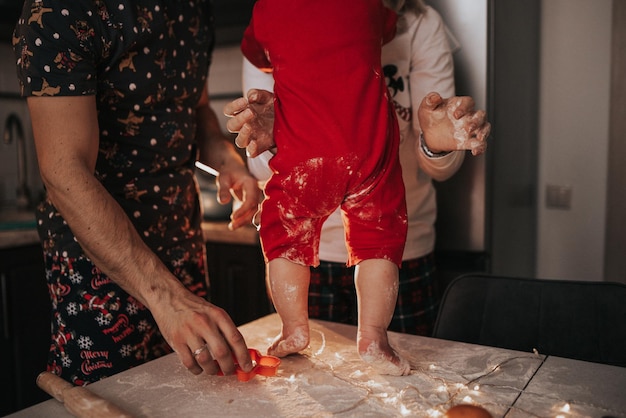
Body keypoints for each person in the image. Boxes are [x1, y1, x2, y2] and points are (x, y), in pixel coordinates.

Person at [12, 0, 260, 385]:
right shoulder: (60, 10)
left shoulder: (195, 8)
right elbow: (64, 172)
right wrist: (166, 296)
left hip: (184, 250)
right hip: (97, 268)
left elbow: (196, 111)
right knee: (112, 401)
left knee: (195, 398)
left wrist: (227, 161)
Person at [245, 0, 480, 337]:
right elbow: (260, 166)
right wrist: (273, 137)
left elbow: (440, 169)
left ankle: (298, 330)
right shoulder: (371, 12)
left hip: (407, 252)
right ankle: (368, 338)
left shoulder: (421, 24)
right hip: (325, 252)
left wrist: (436, 142)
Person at [239, 0, 413, 376]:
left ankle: (293, 328)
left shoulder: (267, 9)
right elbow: (387, 28)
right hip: (370, 145)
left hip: (306, 152)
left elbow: (255, 51)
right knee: (379, 237)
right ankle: (373, 337)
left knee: (284, 233)